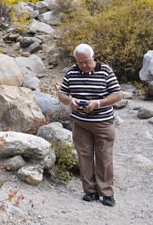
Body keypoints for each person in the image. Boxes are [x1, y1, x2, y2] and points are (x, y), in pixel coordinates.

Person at [58, 43, 122, 207]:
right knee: (84, 157)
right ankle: (90, 191)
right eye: (80, 62)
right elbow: (62, 94)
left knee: (104, 157)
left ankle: (106, 193)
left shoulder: (105, 71)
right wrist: (70, 101)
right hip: (80, 123)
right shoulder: (72, 71)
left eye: (87, 61)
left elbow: (117, 95)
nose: (84, 66)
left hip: (103, 122)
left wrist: (98, 103)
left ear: (93, 57)